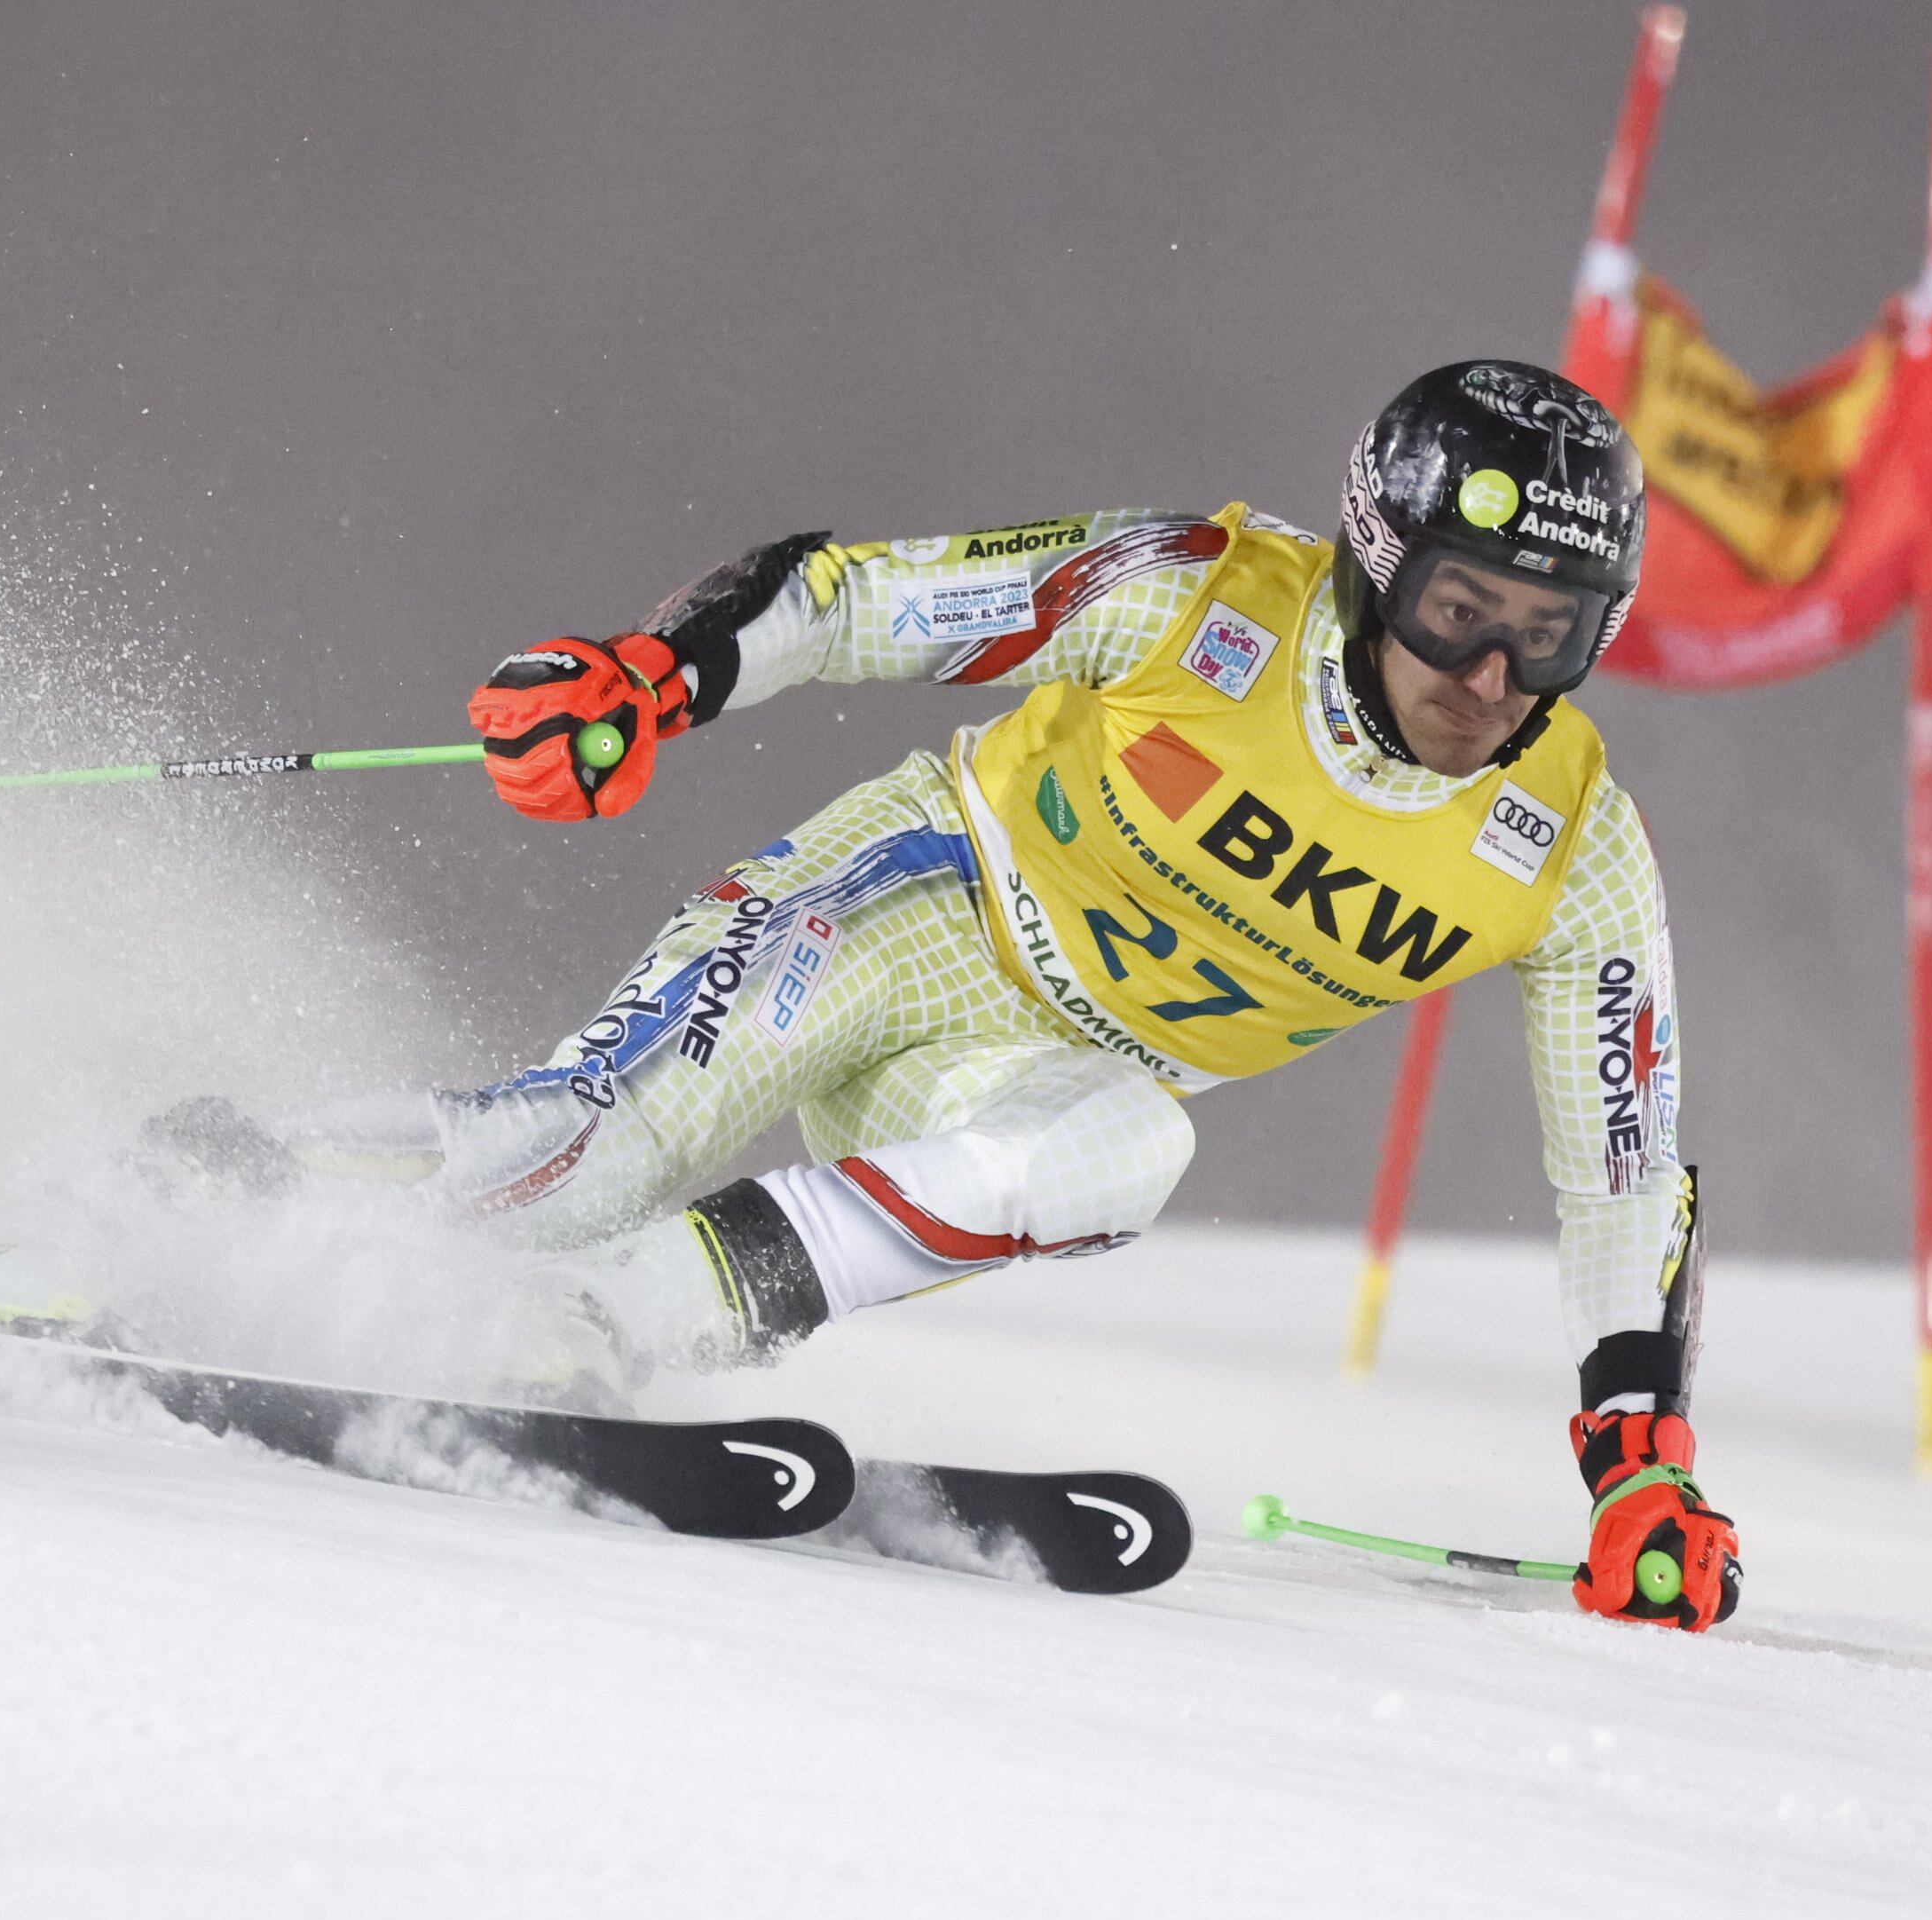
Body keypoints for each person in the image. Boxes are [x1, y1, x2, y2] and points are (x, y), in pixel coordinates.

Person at [406, 358, 1739, 1628]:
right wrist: (660, 675)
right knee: (580, 1164)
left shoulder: (1575, 852)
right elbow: (855, 600)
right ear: (1381, 566)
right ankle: (236, 1192)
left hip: (1011, 1080)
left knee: (1135, 1143)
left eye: (1545, 636)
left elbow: (1623, 1174)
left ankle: (615, 1314)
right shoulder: (1206, 596)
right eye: (1461, 612)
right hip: (908, 905)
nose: (1491, 681)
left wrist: (1639, 1467)